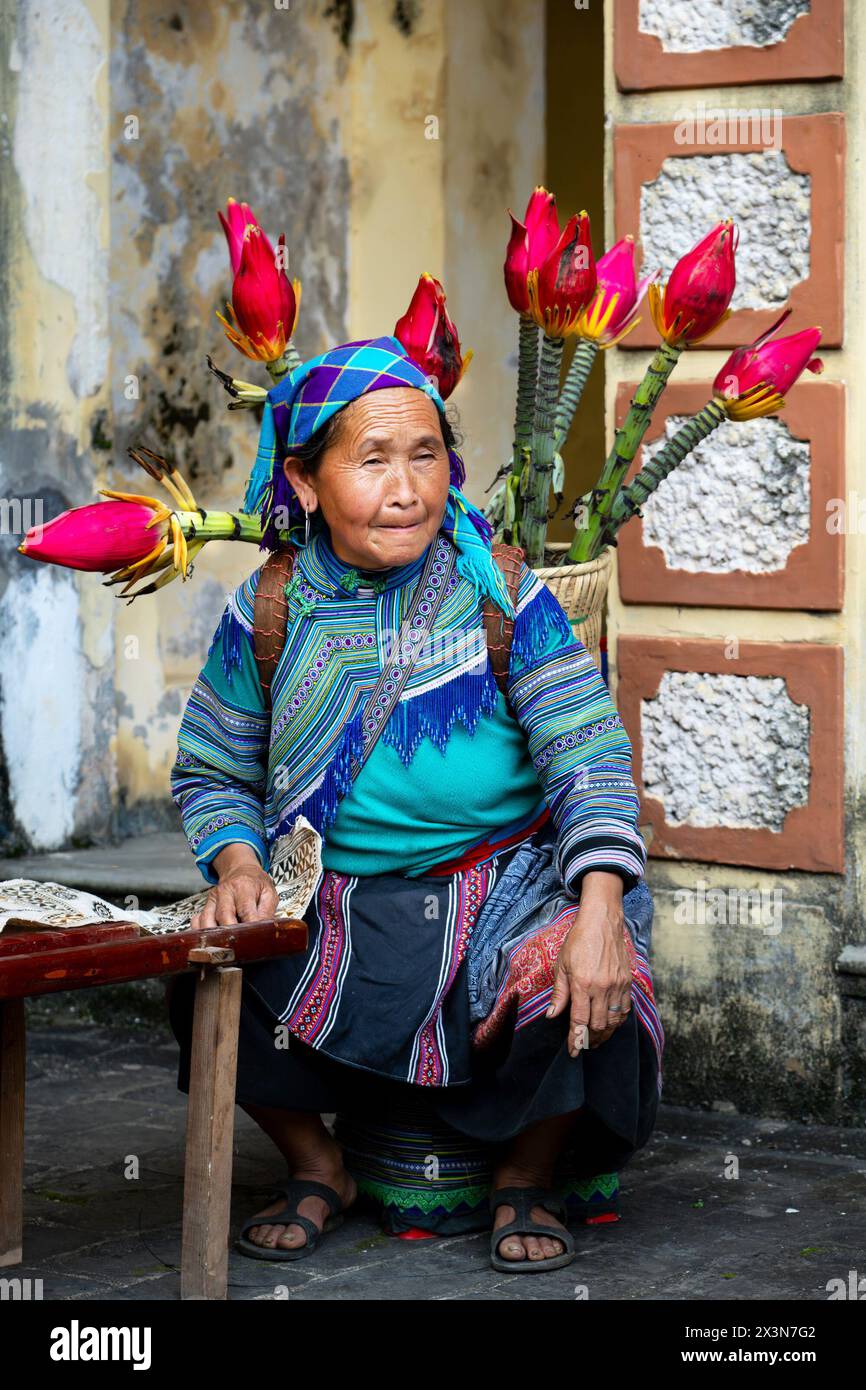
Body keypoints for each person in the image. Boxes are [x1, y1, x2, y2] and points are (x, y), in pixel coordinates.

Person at [166, 335, 662, 1272]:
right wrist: (236, 864)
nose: (408, 489)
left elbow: (588, 754)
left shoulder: (503, 592)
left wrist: (599, 906)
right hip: (341, 897)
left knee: (575, 964)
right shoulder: (268, 610)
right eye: (374, 461)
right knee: (206, 967)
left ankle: (525, 1173)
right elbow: (212, 769)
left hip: (504, 885)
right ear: (307, 483)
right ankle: (319, 1166)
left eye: (426, 455)